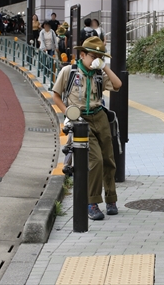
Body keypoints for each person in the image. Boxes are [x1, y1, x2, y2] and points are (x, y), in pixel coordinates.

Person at [52, 36, 122, 220]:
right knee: (96, 160)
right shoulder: (69, 72)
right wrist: (68, 113)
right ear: (82, 55)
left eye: (101, 56)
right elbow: (56, 96)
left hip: (100, 116)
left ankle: (111, 199)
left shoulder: (99, 73)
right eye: (93, 56)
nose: (96, 60)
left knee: (109, 159)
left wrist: (104, 65)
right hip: (81, 120)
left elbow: (117, 85)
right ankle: (92, 202)